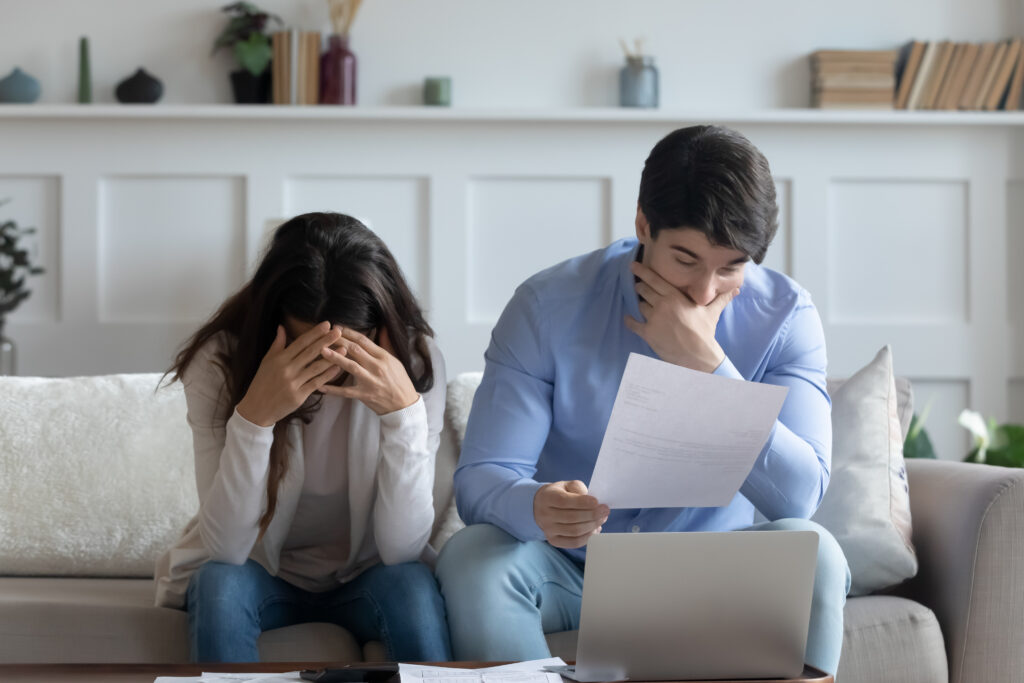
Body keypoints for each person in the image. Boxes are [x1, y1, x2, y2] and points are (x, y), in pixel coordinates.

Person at [436, 125, 851, 676]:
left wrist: (708, 367)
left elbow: (799, 498)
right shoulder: (547, 306)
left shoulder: (786, 317)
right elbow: (482, 478)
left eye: (730, 267)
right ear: (642, 226)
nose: (703, 292)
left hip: (713, 566)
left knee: (816, 554)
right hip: (571, 568)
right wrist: (536, 506)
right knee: (473, 559)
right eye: (685, 258)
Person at [154, 212, 451, 663]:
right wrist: (254, 419)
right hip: (259, 573)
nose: (328, 363)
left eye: (347, 347)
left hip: (369, 575)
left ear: (380, 329)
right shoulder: (221, 361)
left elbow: (401, 549)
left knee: (412, 585)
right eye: (306, 346)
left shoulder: (415, 361)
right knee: (217, 584)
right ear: (271, 323)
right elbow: (229, 549)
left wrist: (402, 415)